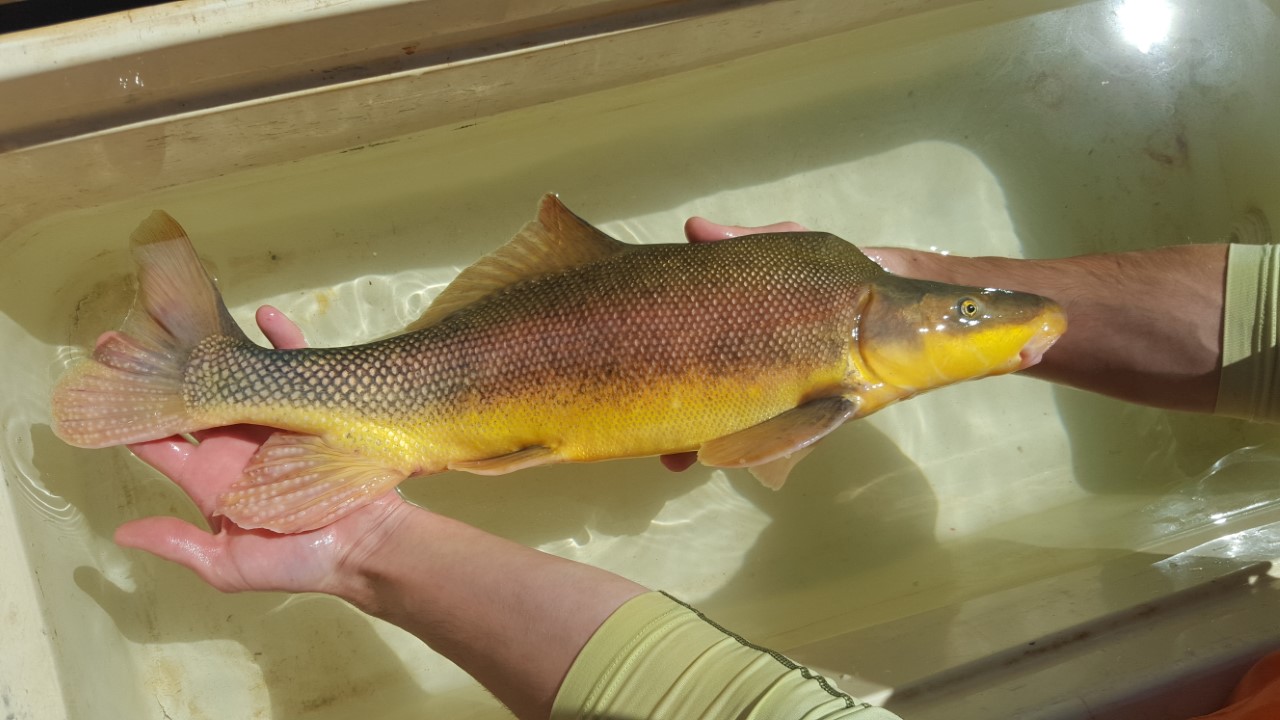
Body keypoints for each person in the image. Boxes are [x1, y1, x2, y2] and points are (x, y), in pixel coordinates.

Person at [112, 215, 1278, 719]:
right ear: (884, 317)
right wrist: (367, 542)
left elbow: (739, 443)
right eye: (966, 316)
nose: (1009, 328)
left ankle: (214, 376)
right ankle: (209, 374)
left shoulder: (843, 341)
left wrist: (372, 542)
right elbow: (742, 446)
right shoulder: (838, 337)